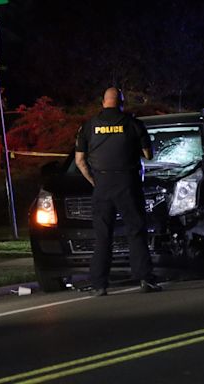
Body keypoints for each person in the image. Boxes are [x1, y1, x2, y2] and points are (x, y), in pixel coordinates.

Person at [75, 87, 162, 296]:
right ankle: (144, 279)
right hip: (127, 183)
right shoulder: (133, 123)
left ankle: (99, 284)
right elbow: (148, 155)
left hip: (102, 184)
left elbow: (79, 160)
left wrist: (94, 181)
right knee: (136, 231)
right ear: (121, 102)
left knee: (103, 235)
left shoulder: (88, 126)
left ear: (103, 102)